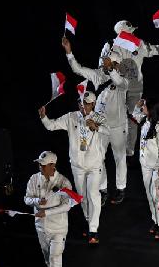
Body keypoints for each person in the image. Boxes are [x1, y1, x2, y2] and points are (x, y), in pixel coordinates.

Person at [62, 37, 129, 206]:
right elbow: (77, 69)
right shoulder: (98, 75)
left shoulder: (123, 79)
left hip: (118, 125)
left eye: (110, 64)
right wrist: (69, 52)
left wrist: (111, 69)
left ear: (116, 65)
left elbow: (118, 81)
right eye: (105, 63)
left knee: (120, 157)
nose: (105, 66)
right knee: (98, 157)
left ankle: (121, 188)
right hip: (99, 124)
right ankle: (103, 188)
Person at [39, 92, 107, 245]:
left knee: (93, 195)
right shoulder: (71, 117)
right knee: (82, 197)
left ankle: (93, 230)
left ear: (93, 104)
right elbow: (51, 126)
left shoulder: (98, 117)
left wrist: (96, 127)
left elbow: (108, 130)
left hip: (94, 166)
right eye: (81, 102)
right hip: (78, 166)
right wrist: (44, 117)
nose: (83, 106)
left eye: (87, 103)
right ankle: (89, 222)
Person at [109, 20, 159, 159]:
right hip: (119, 86)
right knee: (117, 117)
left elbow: (154, 50)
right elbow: (104, 66)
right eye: (130, 31)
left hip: (135, 86)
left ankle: (129, 152)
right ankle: (115, 148)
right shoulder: (111, 46)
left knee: (134, 117)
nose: (133, 33)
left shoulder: (138, 43)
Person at [24, 151, 74, 267]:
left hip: (58, 229)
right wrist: (37, 201)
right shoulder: (33, 179)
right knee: (48, 259)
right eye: (39, 164)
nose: (40, 166)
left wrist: (46, 212)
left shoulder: (63, 182)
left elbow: (67, 205)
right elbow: (26, 199)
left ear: (53, 165)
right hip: (40, 227)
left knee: (55, 258)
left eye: (43, 164)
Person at [131, 99, 159, 240]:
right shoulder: (145, 121)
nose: (143, 107)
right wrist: (138, 106)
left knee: (156, 194)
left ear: (152, 109)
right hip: (145, 164)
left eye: (145, 106)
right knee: (149, 195)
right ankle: (156, 221)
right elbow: (134, 115)